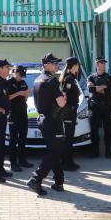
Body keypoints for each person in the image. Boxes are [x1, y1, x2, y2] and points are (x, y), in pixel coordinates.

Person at [27, 53, 67, 195]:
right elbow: (61, 103)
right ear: (45, 64)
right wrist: (64, 98)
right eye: (53, 63)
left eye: (57, 63)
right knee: (54, 151)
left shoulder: (38, 79)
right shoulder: (51, 80)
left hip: (44, 120)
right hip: (53, 120)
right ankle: (36, 179)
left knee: (54, 150)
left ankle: (58, 182)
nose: (56, 65)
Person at [88, 57, 111, 158]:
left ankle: (108, 151)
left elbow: (108, 91)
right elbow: (90, 90)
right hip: (95, 107)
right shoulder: (91, 77)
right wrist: (102, 87)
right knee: (94, 130)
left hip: (107, 106)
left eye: (104, 63)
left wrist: (96, 88)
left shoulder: (109, 77)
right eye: (101, 63)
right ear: (97, 64)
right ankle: (95, 151)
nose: (103, 65)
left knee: (108, 130)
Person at [7, 65, 32, 172]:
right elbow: (6, 97)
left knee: (22, 138)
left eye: (23, 76)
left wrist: (26, 94)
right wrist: (18, 93)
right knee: (13, 139)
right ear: (15, 73)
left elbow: (26, 97)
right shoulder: (9, 83)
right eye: (20, 75)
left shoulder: (23, 83)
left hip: (23, 113)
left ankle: (22, 160)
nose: (21, 77)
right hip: (13, 113)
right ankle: (13, 163)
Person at [60, 57, 82, 171]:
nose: (79, 67)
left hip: (72, 110)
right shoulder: (68, 79)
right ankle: (65, 162)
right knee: (68, 138)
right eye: (78, 65)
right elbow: (64, 95)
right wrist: (66, 110)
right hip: (68, 111)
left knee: (70, 137)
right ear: (74, 65)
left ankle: (69, 160)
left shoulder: (73, 78)